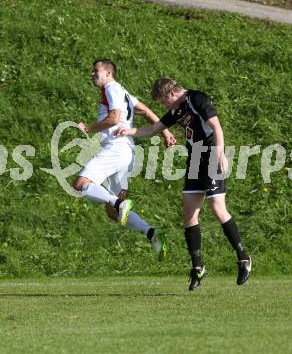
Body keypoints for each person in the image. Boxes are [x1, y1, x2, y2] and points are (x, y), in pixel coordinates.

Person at [116, 77, 252, 290]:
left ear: (170, 93)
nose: (164, 106)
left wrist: (220, 154)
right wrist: (129, 131)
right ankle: (198, 267)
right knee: (189, 214)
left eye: (163, 101)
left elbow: (216, 126)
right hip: (195, 159)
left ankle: (243, 258)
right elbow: (153, 129)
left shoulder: (197, 98)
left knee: (217, 208)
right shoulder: (176, 111)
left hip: (211, 154)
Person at [73, 60, 176, 261]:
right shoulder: (124, 92)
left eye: (96, 70)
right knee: (113, 212)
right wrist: (165, 133)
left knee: (80, 184)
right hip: (127, 153)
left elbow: (113, 119)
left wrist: (88, 129)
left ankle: (118, 203)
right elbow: (146, 111)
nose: (92, 74)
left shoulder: (111, 88)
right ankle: (152, 233)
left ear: (109, 72)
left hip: (115, 148)